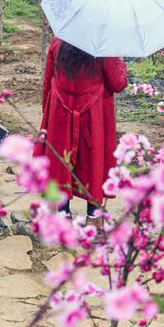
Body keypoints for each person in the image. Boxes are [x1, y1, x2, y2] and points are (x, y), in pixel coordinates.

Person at [34, 38, 127, 226]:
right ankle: (93, 219)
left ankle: (62, 215)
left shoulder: (58, 41)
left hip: (59, 112)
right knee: (93, 162)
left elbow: (47, 80)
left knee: (60, 161)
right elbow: (118, 84)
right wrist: (120, 60)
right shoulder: (104, 45)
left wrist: (47, 111)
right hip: (93, 115)